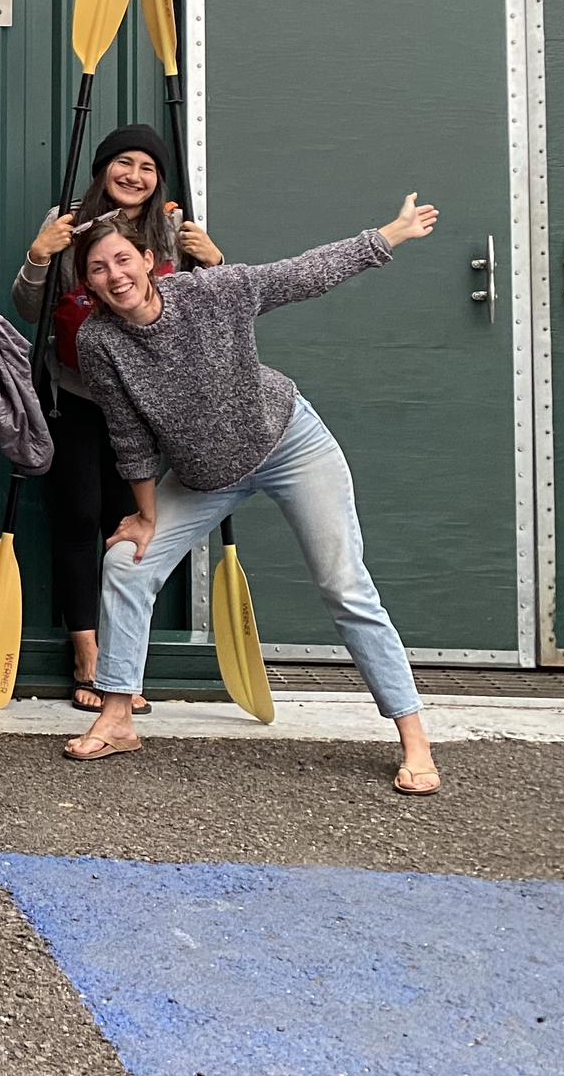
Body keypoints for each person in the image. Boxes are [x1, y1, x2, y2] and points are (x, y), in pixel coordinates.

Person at [69, 194, 446, 795]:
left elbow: (304, 273)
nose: (114, 276)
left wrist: (390, 235)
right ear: (88, 284)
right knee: (125, 562)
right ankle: (117, 717)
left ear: (147, 259)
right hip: (202, 477)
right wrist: (144, 516)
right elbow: (128, 433)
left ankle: (414, 737)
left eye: (122, 260)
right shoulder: (98, 342)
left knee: (344, 584)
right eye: (97, 270)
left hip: (289, 443)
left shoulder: (212, 291)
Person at [10, 124, 222, 710]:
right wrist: (37, 257)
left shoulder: (174, 231)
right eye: (122, 163)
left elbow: (209, 313)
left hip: (147, 403)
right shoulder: (67, 220)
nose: (134, 176)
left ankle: (123, 660)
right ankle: (87, 652)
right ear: (103, 169)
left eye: (147, 167)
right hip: (76, 393)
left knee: (128, 523)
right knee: (79, 516)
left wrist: (214, 261)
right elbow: (29, 309)